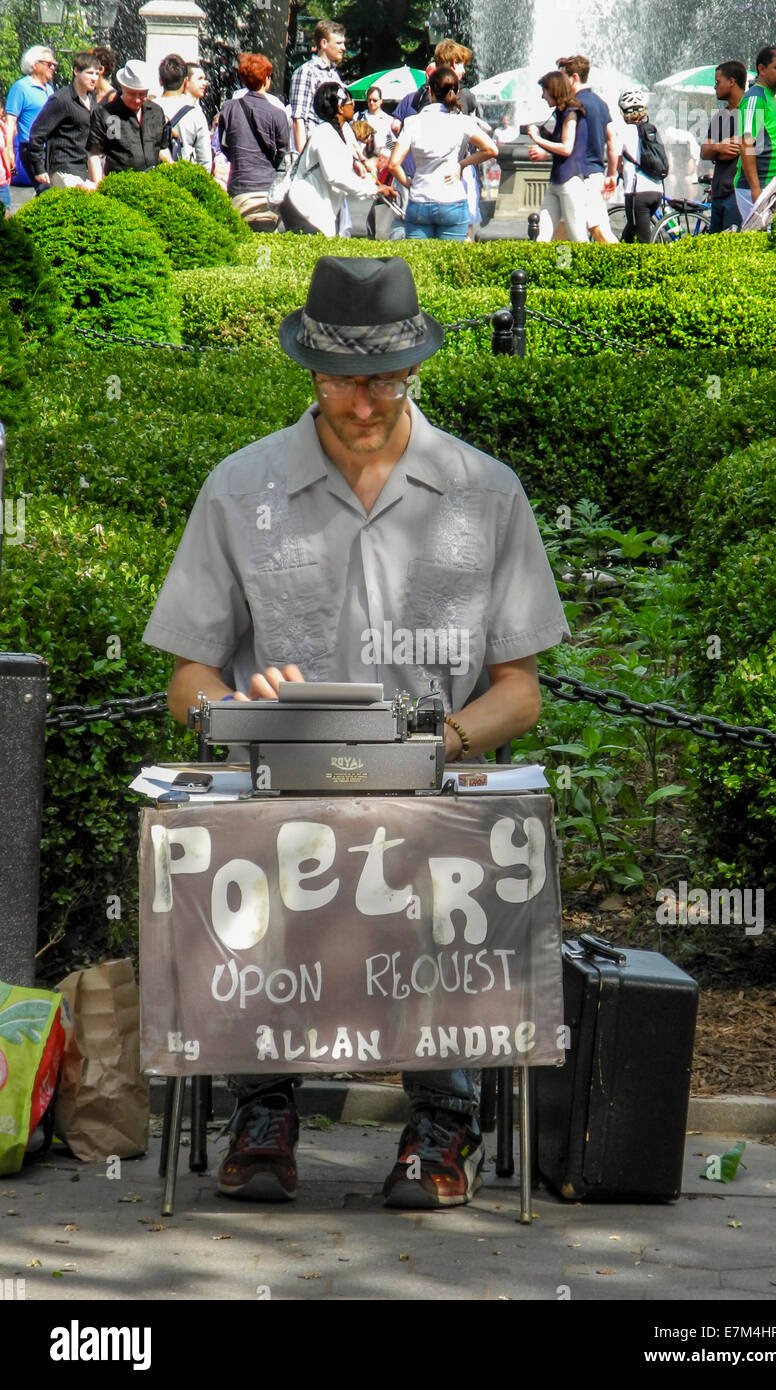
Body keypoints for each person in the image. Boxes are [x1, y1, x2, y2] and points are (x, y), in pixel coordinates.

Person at [142, 253, 568, 1210]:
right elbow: (187, 677)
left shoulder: (483, 490)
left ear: (412, 368)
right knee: (244, 866)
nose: (363, 402)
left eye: (382, 379)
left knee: (458, 867)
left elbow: (520, 692)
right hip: (276, 798)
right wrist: (243, 715)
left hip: (427, 793)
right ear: (310, 369)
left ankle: (443, 1114)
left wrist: (445, 742)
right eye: (342, 378)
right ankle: (262, 1104)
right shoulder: (239, 486)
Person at [388, 66, 496, 242]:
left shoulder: (413, 122)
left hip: (420, 198)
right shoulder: (462, 121)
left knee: (418, 263)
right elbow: (492, 149)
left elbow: (393, 164)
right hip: (452, 199)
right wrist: (461, 164)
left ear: (429, 90)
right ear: (457, 91)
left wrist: (408, 183)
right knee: (451, 264)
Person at [281, 83, 388, 236]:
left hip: (318, 212)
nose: (353, 105)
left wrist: (362, 170)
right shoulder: (324, 134)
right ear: (340, 108)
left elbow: (345, 169)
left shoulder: (344, 131)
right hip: (304, 211)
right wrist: (374, 190)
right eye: (350, 101)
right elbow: (336, 177)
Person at [218, 52, 290, 231]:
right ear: (266, 78)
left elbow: (224, 145)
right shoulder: (278, 113)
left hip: (239, 187)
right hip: (268, 190)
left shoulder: (228, 108)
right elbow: (283, 154)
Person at [556, 55, 618, 243]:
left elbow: (566, 143)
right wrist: (612, 174)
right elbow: (612, 140)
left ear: (574, 78)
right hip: (594, 173)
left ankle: (625, 266)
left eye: (562, 78)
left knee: (597, 227)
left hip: (582, 177)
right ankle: (562, 268)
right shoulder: (601, 103)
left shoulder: (573, 105)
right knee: (564, 230)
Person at [527, 70, 589, 244]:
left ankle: (581, 270)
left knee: (577, 236)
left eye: (544, 91)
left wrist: (537, 138)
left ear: (554, 90)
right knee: (542, 236)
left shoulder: (571, 112)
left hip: (570, 181)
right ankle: (551, 269)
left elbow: (567, 148)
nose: (542, 96)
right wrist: (544, 136)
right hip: (557, 181)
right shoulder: (563, 113)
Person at [87, 59, 172, 183]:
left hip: (153, 186)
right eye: (132, 94)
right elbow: (94, 154)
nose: (137, 100)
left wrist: (171, 167)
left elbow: (162, 149)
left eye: (142, 94)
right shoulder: (105, 114)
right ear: (122, 87)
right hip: (119, 187)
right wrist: (98, 185)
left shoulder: (156, 112)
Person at [27, 50, 100, 191]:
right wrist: (39, 168)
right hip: (63, 167)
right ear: (76, 72)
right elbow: (37, 133)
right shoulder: (61, 99)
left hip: (84, 168)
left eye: (97, 74)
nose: (94, 78)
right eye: (90, 73)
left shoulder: (92, 98)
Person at [734, 46, 776, 225]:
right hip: (759, 188)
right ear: (761, 69)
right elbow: (746, 143)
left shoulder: (769, 98)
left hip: (773, 186)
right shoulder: (755, 98)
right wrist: (756, 190)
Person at [289, 19, 348, 154]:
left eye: (343, 43)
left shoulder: (335, 75)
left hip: (334, 149)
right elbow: (299, 118)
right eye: (339, 43)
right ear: (324, 43)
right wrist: (303, 160)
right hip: (315, 151)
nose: (343, 48)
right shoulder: (306, 72)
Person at [701, 61, 746, 233]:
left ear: (732, 82)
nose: (715, 87)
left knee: (732, 250)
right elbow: (704, 151)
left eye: (718, 82)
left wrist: (715, 150)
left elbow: (736, 149)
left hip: (737, 194)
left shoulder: (750, 113)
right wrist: (719, 148)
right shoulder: (719, 116)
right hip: (718, 193)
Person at [616, 87, 664, 243]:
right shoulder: (652, 130)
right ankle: (618, 261)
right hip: (656, 192)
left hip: (637, 194)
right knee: (630, 233)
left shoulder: (622, 132)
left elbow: (617, 163)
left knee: (643, 242)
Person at [4, 45, 56, 187]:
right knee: (44, 188)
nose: (52, 68)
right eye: (49, 64)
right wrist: (9, 150)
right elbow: (10, 122)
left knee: (51, 189)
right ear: (34, 65)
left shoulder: (50, 89)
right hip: (31, 147)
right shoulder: (21, 87)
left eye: (54, 65)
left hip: (49, 148)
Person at [155, 53, 211, 170]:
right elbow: (205, 160)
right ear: (185, 81)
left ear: (160, 81)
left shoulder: (148, 108)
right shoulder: (195, 113)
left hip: (153, 181)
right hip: (184, 179)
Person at [0, 97, 11, 214]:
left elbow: (5, 150)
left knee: (6, 221)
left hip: (2, 183)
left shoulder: (1, 126)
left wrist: (9, 173)